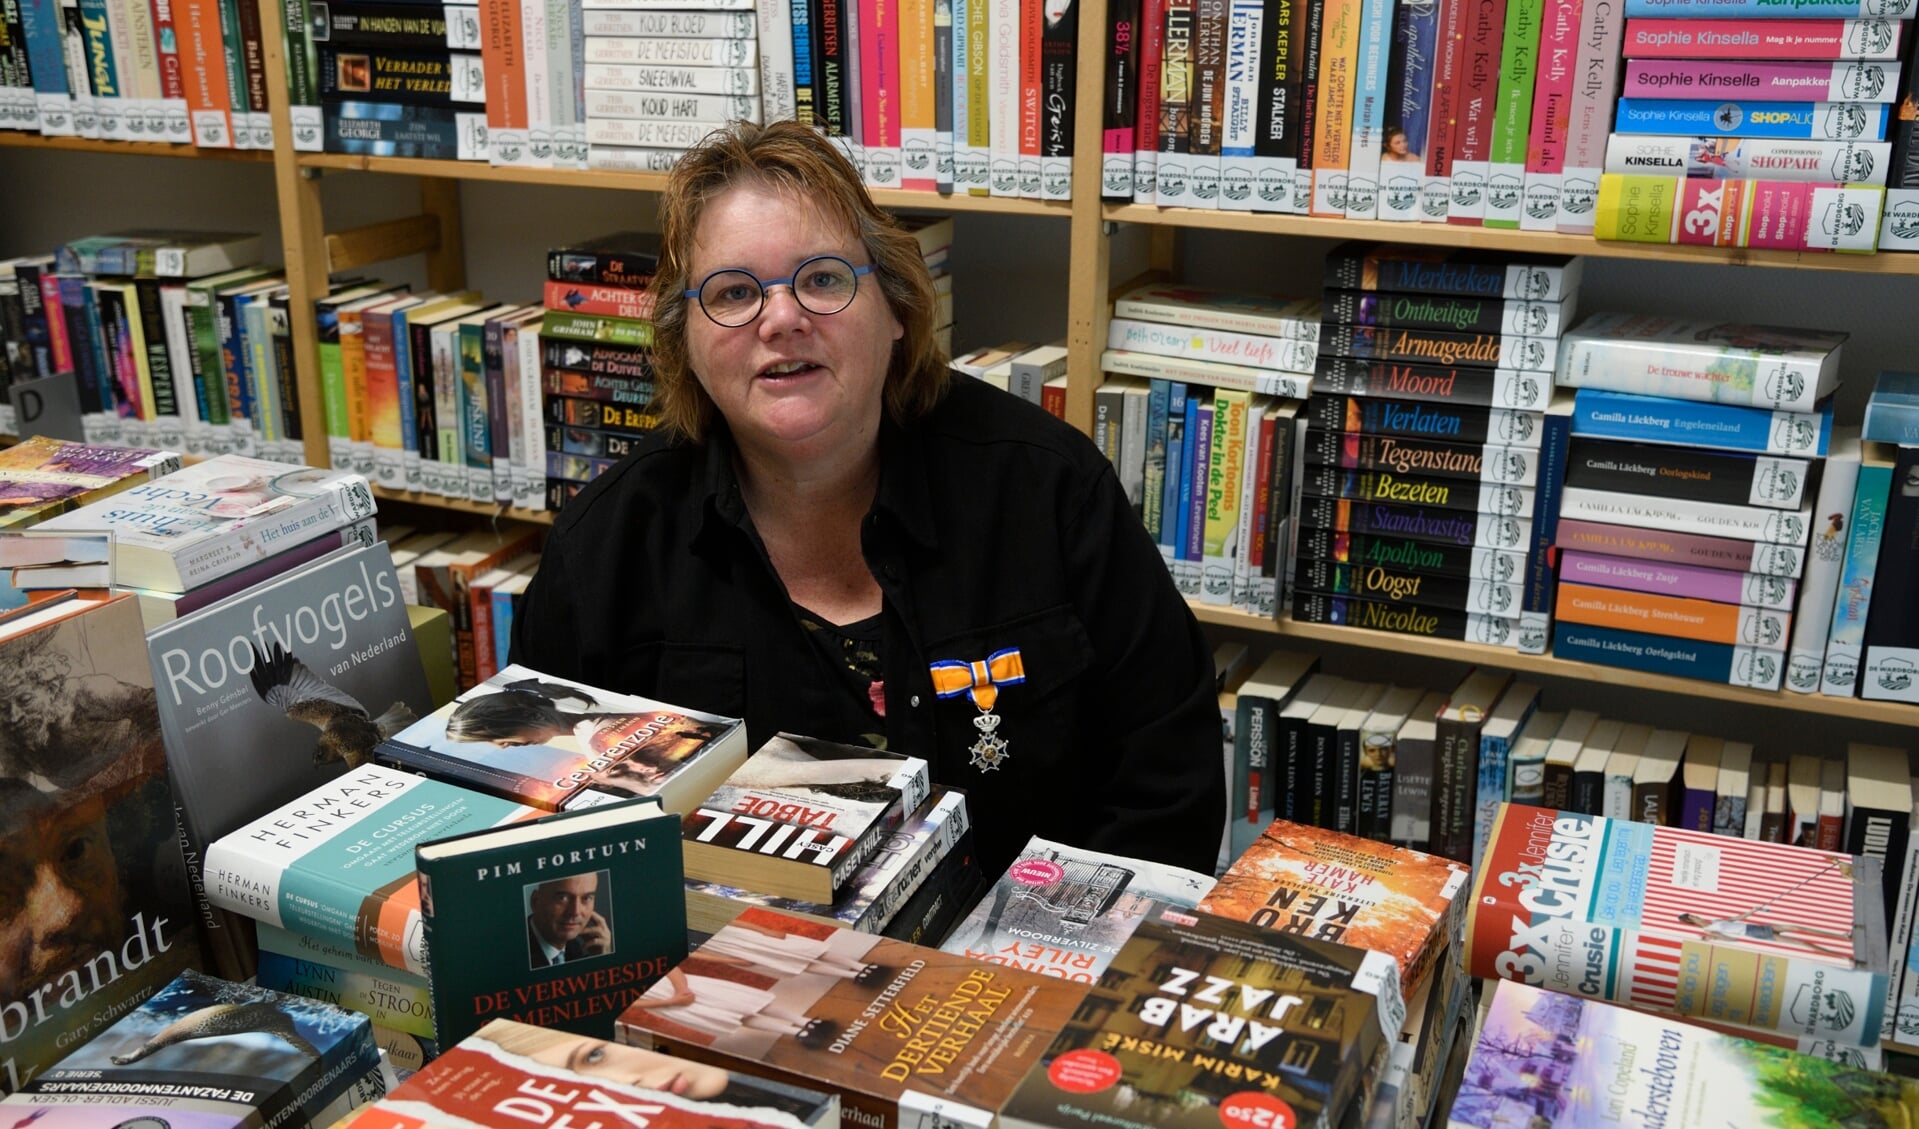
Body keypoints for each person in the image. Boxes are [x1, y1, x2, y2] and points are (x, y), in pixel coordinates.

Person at [509, 120, 1223, 879]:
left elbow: (1164, 797)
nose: (780, 319)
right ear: (683, 340)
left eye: (821, 279)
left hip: (1024, 975)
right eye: (734, 292)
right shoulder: (607, 543)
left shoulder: (1047, 489)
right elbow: (541, 826)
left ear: (896, 309)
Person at [445, 679, 727, 796]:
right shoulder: (598, 729)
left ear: (528, 717)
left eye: (499, 736)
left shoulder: (600, 740)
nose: (503, 746)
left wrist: (611, 779)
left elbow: (665, 784)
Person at [526, 873, 612, 968]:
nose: (575, 912)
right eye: (563, 898)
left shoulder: (574, 947)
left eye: (587, 898)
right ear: (536, 902)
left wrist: (602, 960)